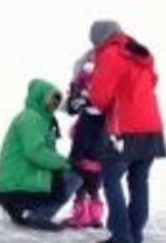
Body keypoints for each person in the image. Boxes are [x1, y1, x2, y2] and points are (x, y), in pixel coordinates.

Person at [87, 21, 166, 243]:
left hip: (125, 129)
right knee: (139, 181)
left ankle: (122, 236)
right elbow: (153, 81)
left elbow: (100, 96)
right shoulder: (138, 51)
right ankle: (135, 234)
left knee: (111, 178)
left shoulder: (110, 54)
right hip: (152, 127)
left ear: (100, 38)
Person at [0, 79, 81, 232]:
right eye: (51, 98)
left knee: (66, 175)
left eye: (57, 99)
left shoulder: (41, 119)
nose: (54, 103)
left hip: (20, 180)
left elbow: (44, 152)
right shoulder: (30, 119)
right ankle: (37, 214)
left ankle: (19, 208)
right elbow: (35, 152)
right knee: (73, 177)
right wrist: (65, 163)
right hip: (16, 183)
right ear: (39, 97)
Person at [62, 50, 106, 228]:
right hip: (103, 132)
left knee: (78, 172)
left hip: (87, 131)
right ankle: (95, 216)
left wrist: (76, 94)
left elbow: (73, 106)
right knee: (95, 177)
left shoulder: (83, 76)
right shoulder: (110, 77)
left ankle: (80, 216)